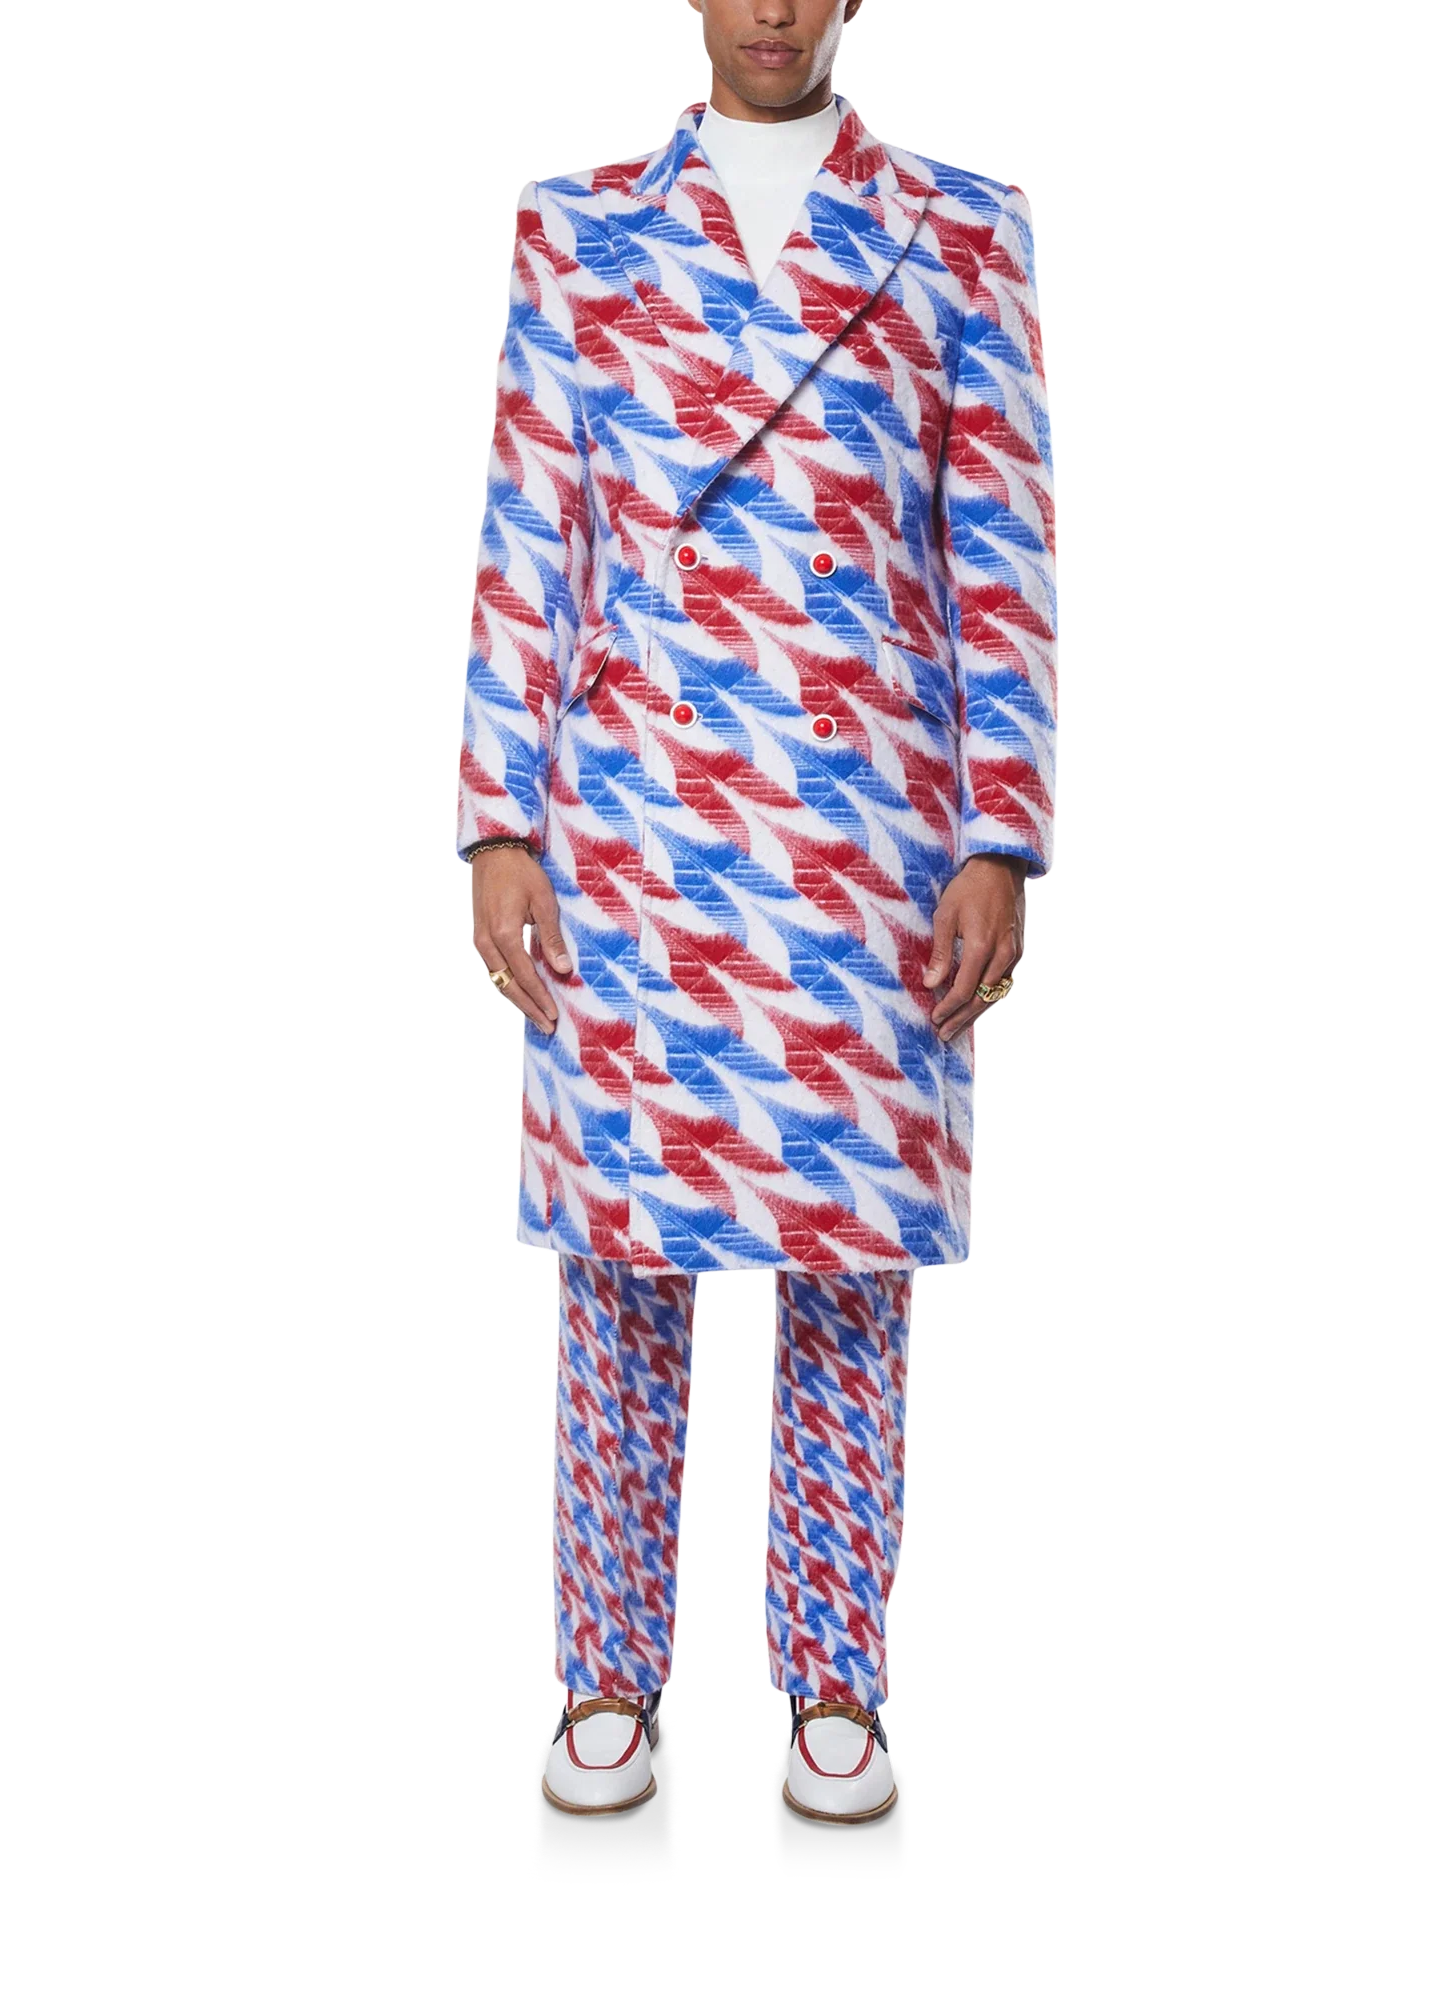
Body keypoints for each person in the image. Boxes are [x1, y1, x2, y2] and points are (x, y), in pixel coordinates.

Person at [456, 0, 1057, 1825]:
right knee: (625, 1272)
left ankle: (836, 1684)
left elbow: (1001, 544)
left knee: (848, 1271)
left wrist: (1000, 832)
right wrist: (497, 821)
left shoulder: (958, 228)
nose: (774, 7)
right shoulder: (577, 228)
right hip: (634, 819)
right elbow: (528, 532)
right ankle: (607, 1676)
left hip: (864, 827)